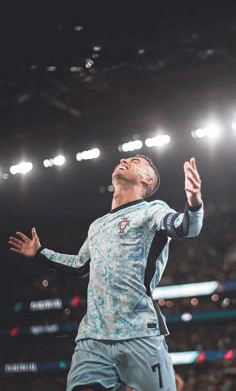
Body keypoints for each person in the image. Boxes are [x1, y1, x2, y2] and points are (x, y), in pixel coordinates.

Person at [9, 155, 203, 391]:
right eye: (125, 158)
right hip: (93, 338)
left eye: (136, 161)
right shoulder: (97, 225)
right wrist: (41, 252)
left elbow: (186, 227)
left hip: (139, 333)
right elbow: (80, 265)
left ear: (146, 179)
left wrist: (193, 203)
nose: (124, 159)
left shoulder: (153, 210)